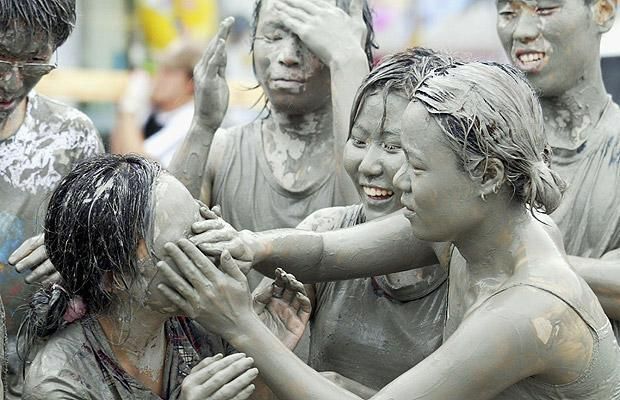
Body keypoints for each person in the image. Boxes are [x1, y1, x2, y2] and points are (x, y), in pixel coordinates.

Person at [157, 60, 620, 399]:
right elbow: (323, 254)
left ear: (489, 175)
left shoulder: (528, 309)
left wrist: (240, 325)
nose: (397, 181)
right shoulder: (487, 228)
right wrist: (250, 244)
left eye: (415, 166)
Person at [213, 48, 451, 396]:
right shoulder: (325, 229)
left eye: (393, 146)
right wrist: (266, 352)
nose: (369, 164)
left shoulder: (468, 256)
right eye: (358, 140)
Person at [19, 154, 310, 400]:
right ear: (112, 278)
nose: (212, 252)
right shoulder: (58, 381)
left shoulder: (202, 326)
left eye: (203, 227)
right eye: (187, 242)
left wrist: (264, 352)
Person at [168, 0, 375, 289]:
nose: (287, 56)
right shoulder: (223, 150)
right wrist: (202, 126)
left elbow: (368, 237)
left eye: (309, 39)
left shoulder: (382, 162)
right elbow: (164, 248)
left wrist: (349, 60)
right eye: (274, 37)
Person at [496, 0, 620, 338]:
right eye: (507, 13)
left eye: (544, 9)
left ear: (603, 11)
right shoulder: (484, 147)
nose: (521, 31)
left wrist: (504, 261)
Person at [0, 1, 103, 397]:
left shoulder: (69, 139)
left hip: (42, 376)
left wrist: (74, 253)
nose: (10, 81)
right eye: (0, 57)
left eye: (33, 62)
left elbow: (113, 274)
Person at [111, 40, 203, 167]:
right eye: (159, 69)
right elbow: (116, 155)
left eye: (168, 72)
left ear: (190, 84)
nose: (158, 77)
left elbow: (136, 165)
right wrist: (126, 113)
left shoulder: (190, 121)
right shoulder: (156, 110)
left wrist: (128, 110)